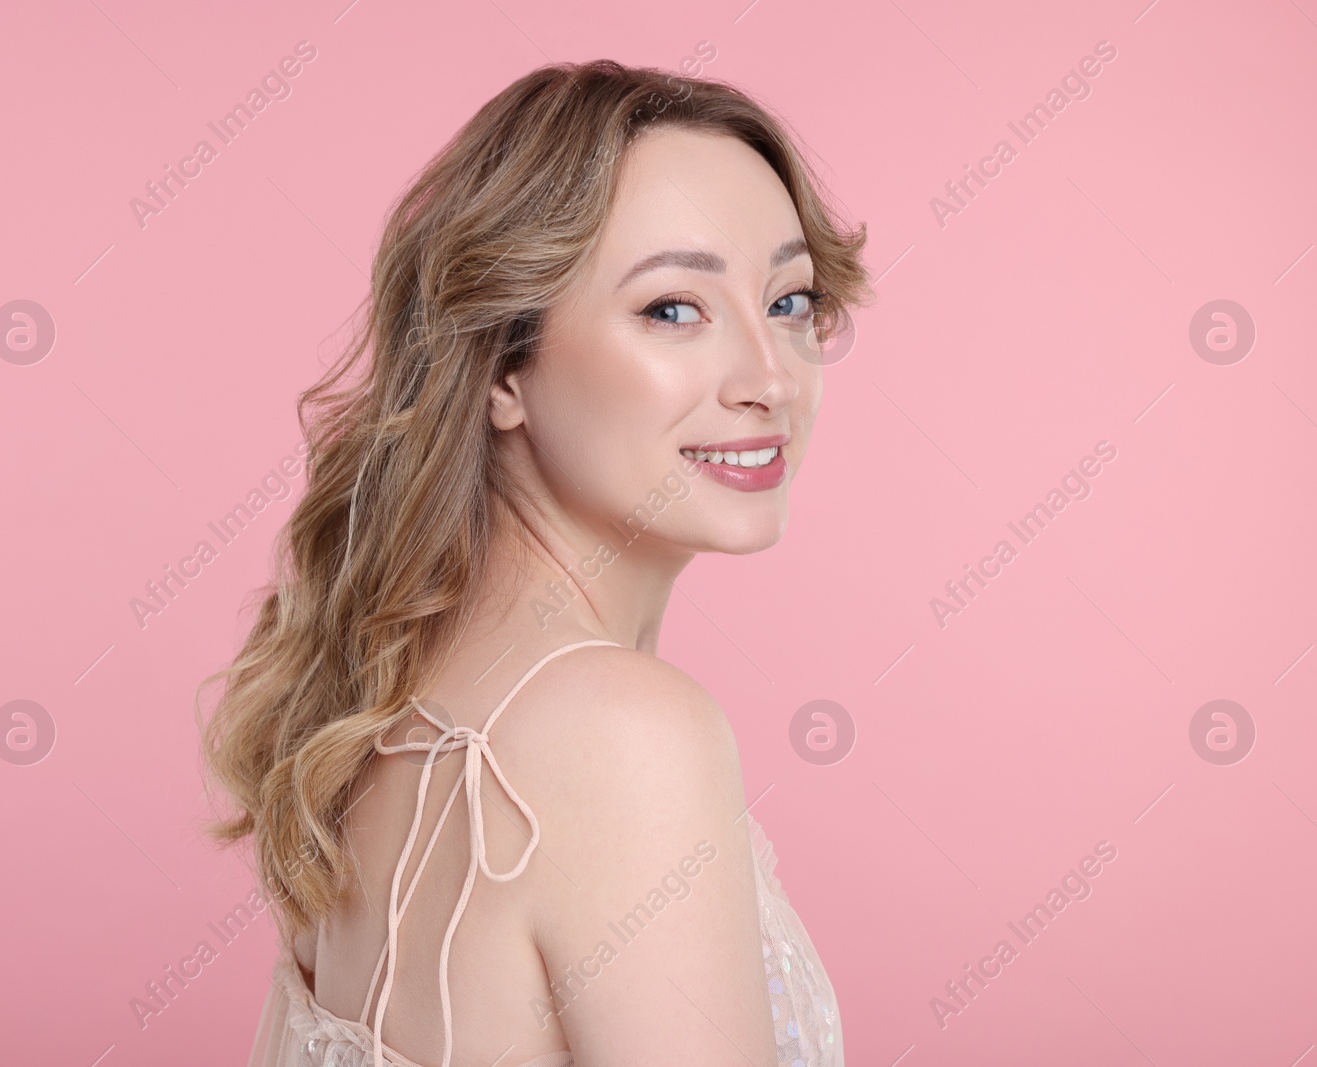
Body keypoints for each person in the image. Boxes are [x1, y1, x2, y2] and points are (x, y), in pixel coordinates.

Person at [197, 57, 872, 1067]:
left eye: (787, 300)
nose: (769, 376)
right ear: (504, 365)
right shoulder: (623, 731)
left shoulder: (388, 697)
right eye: (672, 309)